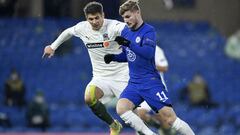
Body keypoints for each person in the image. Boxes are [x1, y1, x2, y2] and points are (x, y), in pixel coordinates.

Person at [42, 2, 155, 135]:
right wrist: (53, 46)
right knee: (89, 97)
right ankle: (114, 125)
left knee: (136, 119)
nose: (94, 21)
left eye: (97, 18)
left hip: (124, 77)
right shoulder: (82, 28)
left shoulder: (114, 26)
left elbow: (129, 29)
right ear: (86, 19)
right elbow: (68, 32)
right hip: (101, 77)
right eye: (91, 19)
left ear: (103, 15)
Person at [104, 0, 195, 134]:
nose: (126, 20)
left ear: (137, 12)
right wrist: (114, 57)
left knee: (170, 119)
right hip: (134, 83)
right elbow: (129, 55)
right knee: (121, 108)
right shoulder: (126, 32)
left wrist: (129, 44)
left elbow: (148, 53)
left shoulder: (148, 30)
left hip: (150, 83)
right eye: (124, 18)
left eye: (128, 16)